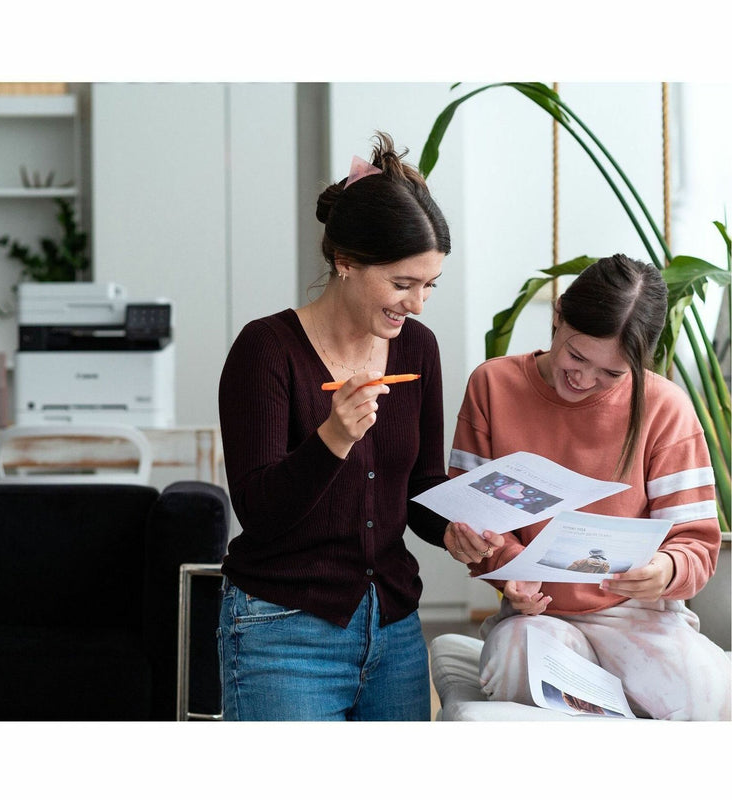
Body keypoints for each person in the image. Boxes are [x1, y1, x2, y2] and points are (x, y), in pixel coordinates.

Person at [217, 132, 458, 721]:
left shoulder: (417, 349)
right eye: (402, 284)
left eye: (429, 285)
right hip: (284, 629)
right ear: (345, 262)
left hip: (394, 630)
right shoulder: (266, 350)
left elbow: (420, 488)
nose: (418, 305)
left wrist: (458, 531)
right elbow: (260, 513)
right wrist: (332, 440)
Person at [445, 253, 731, 720]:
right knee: (512, 665)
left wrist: (664, 569)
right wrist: (507, 568)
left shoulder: (666, 408)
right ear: (557, 316)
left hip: (638, 615)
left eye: (613, 374)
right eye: (577, 355)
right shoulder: (492, 386)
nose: (584, 379)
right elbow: (474, 519)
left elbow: (697, 544)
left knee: (708, 693)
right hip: (537, 618)